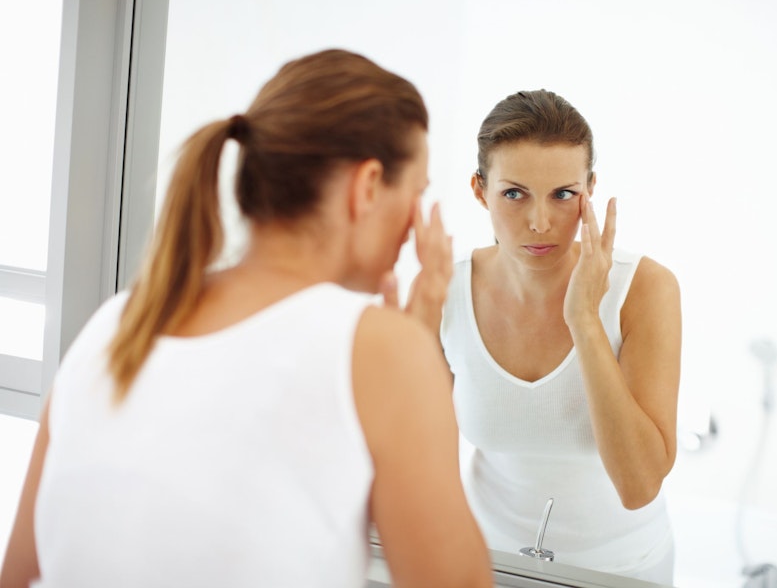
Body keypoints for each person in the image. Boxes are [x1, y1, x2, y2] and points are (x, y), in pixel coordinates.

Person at [0, 49, 492, 588]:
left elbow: (19, 574)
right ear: (368, 185)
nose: (416, 224)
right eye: (417, 193)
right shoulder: (379, 349)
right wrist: (416, 354)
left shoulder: (119, 320)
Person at [438, 89, 682, 583]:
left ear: (590, 190)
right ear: (480, 191)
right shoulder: (445, 292)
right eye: (514, 193)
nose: (540, 223)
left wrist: (586, 322)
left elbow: (638, 486)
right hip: (486, 561)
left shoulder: (645, 288)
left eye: (563, 194)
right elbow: (421, 462)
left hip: (621, 570)